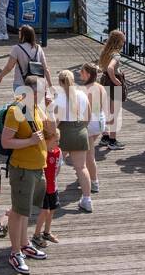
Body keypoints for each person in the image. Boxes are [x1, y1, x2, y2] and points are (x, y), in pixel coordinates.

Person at [3, 77, 49, 275]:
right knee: (18, 211)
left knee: (26, 210)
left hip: (37, 167)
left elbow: (50, 131)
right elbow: (6, 142)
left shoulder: (36, 109)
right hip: (23, 169)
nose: (43, 95)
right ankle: (15, 252)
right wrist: (30, 141)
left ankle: (24, 243)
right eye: (39, 91)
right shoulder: (16, 111)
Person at [54, 70, 94, 213]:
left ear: (60, 82)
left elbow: (56, 121)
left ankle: (52, 195)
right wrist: (81, 128)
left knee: (55, 166)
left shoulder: (58, 98)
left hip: (64, 133)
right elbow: (88, 116)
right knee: (81, 167)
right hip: (80, 131)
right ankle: (87, 199)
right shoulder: (82, 94)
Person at [0, 25, 51, 98]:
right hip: (37, 85)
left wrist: (1, 76)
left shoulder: (16, 48)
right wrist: (50, 85)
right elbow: (45, 69)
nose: (18, 33)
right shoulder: (38, 48)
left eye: (20, 32)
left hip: (20, 84)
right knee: (35, 107)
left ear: (23, 35)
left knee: (22, 107)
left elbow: (9, 67)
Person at [31, 119, 62, 249]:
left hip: (53, 186)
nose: (57, 144)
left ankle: (47, 232)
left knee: (52, 210)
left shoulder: (57, 152)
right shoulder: (42, 153)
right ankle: (36, 235)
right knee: (44, 211)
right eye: (55, 141)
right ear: (47, 141)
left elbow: (58, 167)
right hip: (44, 186)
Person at [97, 29, 127, 150]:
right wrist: (115, 79)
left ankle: (105, 137)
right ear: (119, 42)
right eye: (123, 41)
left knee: (105, 111)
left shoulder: (105, 52)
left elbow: (103, 67)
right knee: (115, 112)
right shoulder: (116, 55)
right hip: (113, 83)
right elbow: (110, 68)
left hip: (104, 81)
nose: (124, 43)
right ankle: (113, 141)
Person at [78, 63, 105, 196]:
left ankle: (94, 181)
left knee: (89, 155)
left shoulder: (86, 89)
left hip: (91, 123)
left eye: (81, 71)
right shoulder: (100, 87)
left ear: (88, 74)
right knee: (85, 150)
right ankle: (85, 176)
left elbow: (85, 111)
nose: (79, 73)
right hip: (100, 120)